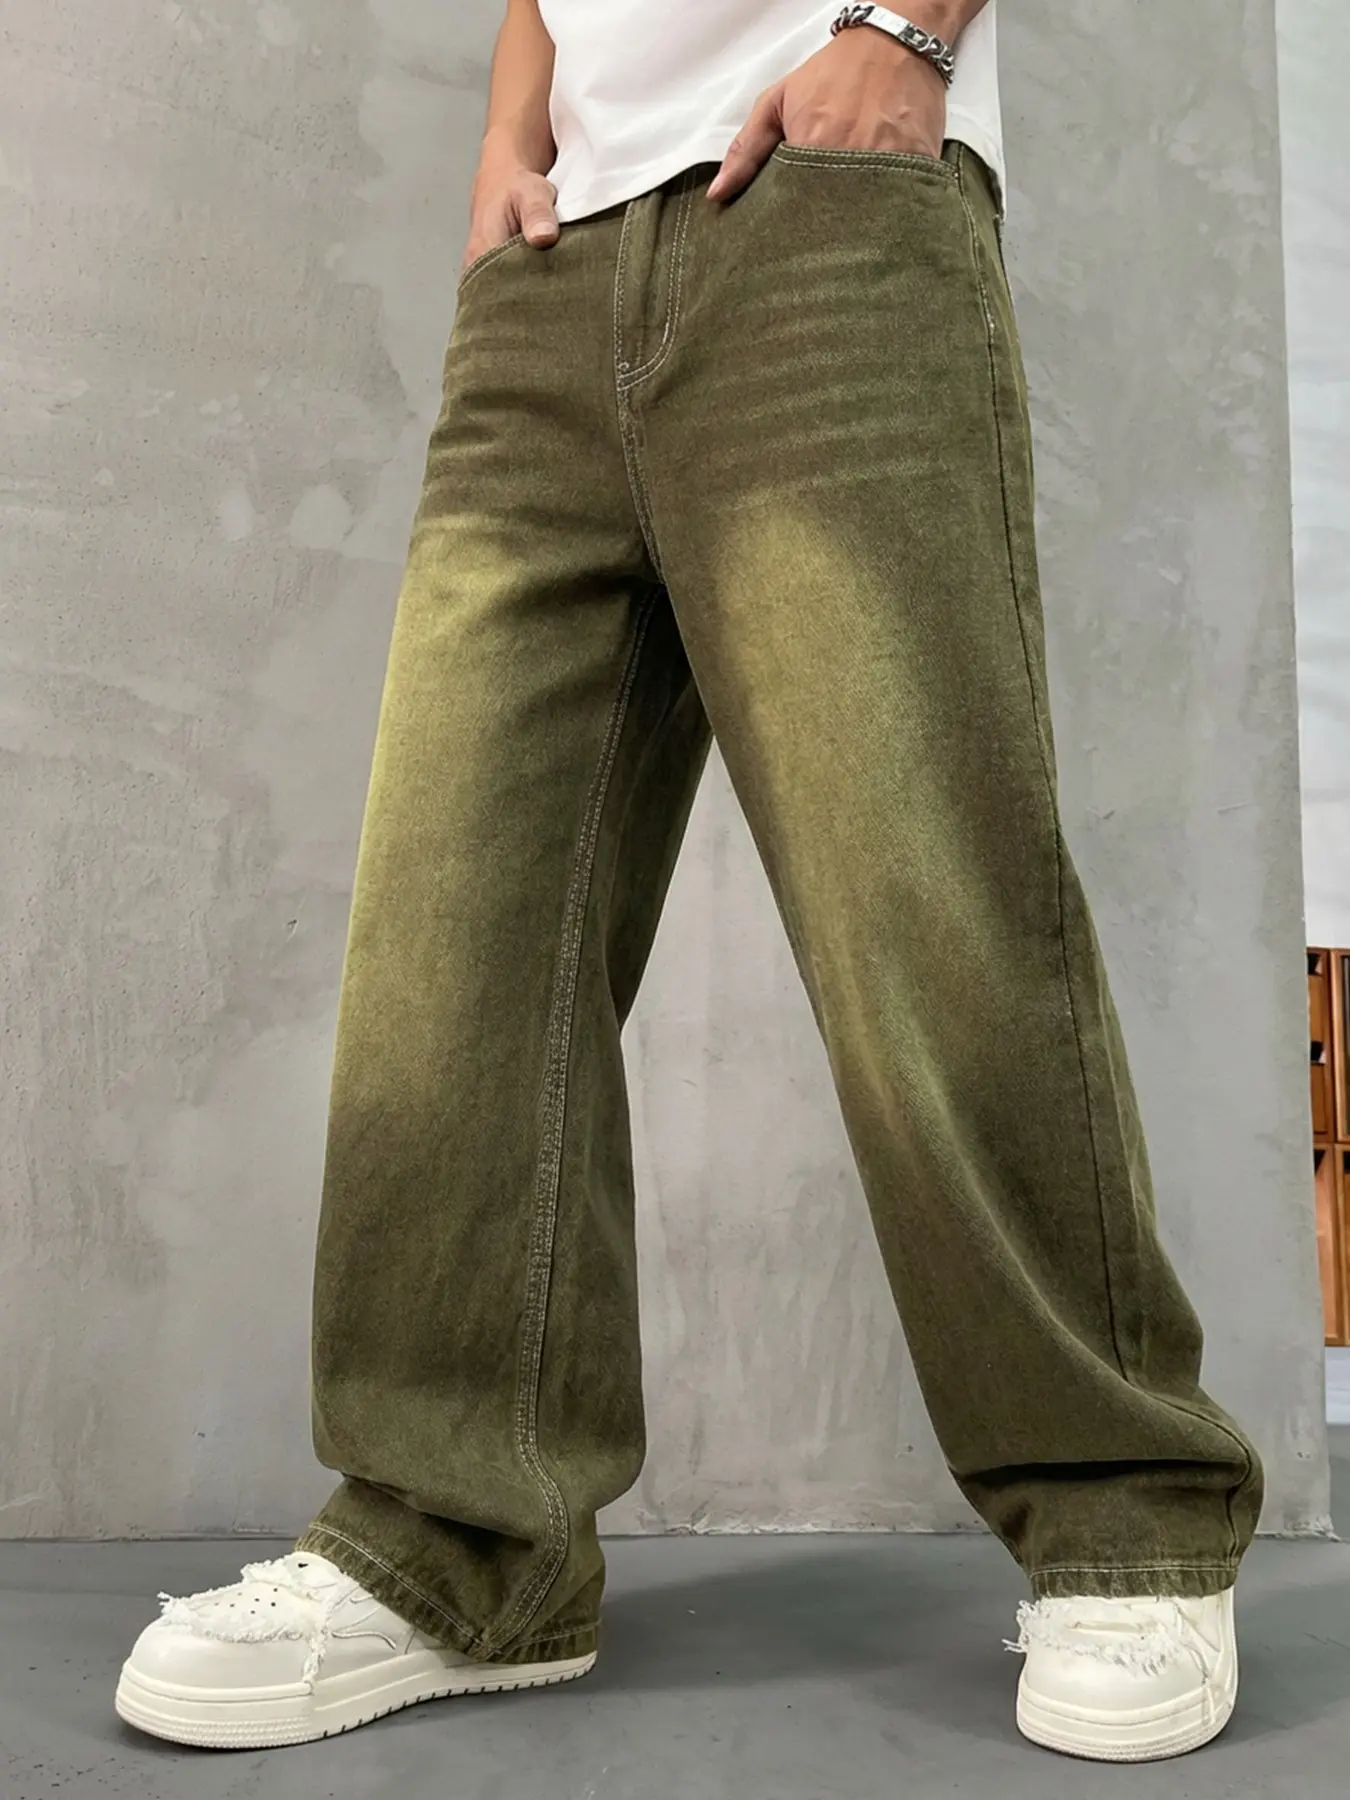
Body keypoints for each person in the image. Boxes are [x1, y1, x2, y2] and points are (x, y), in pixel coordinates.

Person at [114, 0, 1264, 1763]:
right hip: (548, 272)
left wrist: (904, 35)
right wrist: (507, 143)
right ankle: (457, 1547)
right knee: (456, 933)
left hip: (822, 219)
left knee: (919, 893)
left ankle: (1125, 1522)